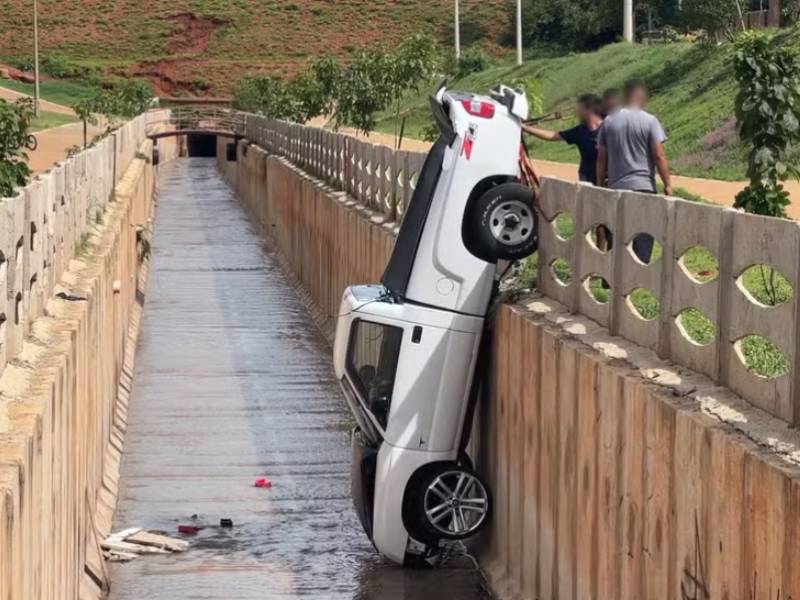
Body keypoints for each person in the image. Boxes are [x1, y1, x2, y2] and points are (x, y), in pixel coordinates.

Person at [596, 79, 672, 263]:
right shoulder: (650, 121)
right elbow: (659, 155)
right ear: (638, 96)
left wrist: (600, 186)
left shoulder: (609, 121)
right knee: (643, 235)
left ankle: (615, 281)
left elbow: (601, 158)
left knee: (617, 235)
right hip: (643, 187)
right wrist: (668, 185)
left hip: (616, 189)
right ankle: (638, 278)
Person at [522, 93, 602, 184]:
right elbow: (554, 135)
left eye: (580, 109)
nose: (577, 112)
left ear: (589, 110)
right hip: (587, 180)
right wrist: (526, 128)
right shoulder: (580, 131)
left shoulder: (609, 128)